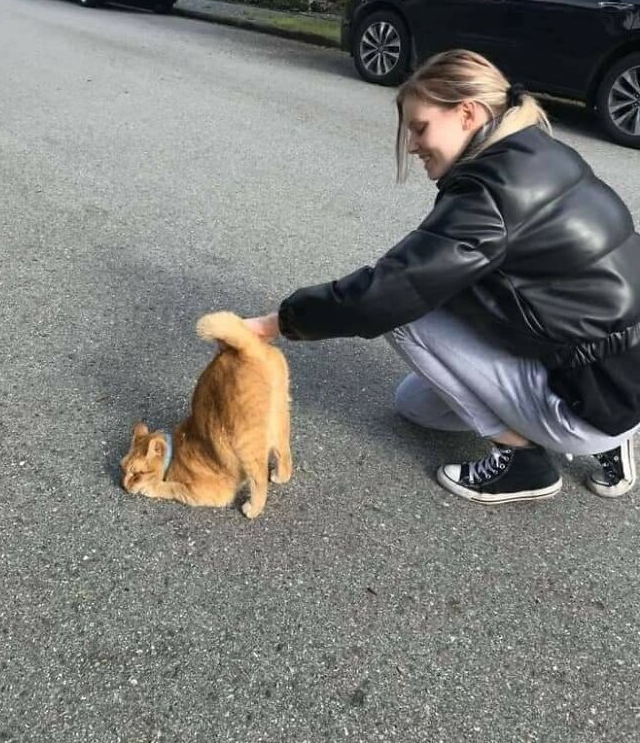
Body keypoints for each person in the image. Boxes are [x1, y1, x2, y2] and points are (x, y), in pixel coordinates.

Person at [244, 49, 640, 505]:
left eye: (420, 127)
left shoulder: (491, 192)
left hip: (585, 400)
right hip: (616, 378)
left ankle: (523, 463)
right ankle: (611, 436)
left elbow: (386, 294)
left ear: (467, 113)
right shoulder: (537, 151)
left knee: (402, 311)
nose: (412, 145)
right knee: (413, 406)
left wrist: (274, 324)